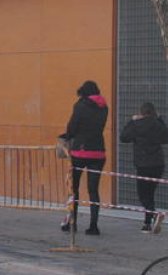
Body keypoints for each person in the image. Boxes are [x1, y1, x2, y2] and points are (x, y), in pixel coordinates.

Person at [60, 80, 108, 236]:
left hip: (80, 152)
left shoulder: (80, 106)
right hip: (98, 152)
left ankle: (72, 223)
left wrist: (67, 137)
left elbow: (72, 127)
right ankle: (94, 226)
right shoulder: (104, 107)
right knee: (93, 190)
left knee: (74, 189)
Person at [121, 101, 168, 233]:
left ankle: (153, 216)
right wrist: (160, 119)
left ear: (141, 113)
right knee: (150, 194)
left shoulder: (137, 125)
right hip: (158, 164)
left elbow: (124, 137)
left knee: (143, 195)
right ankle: (147, 223)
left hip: (143, 164)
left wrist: (132, 121)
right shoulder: (157, 124)